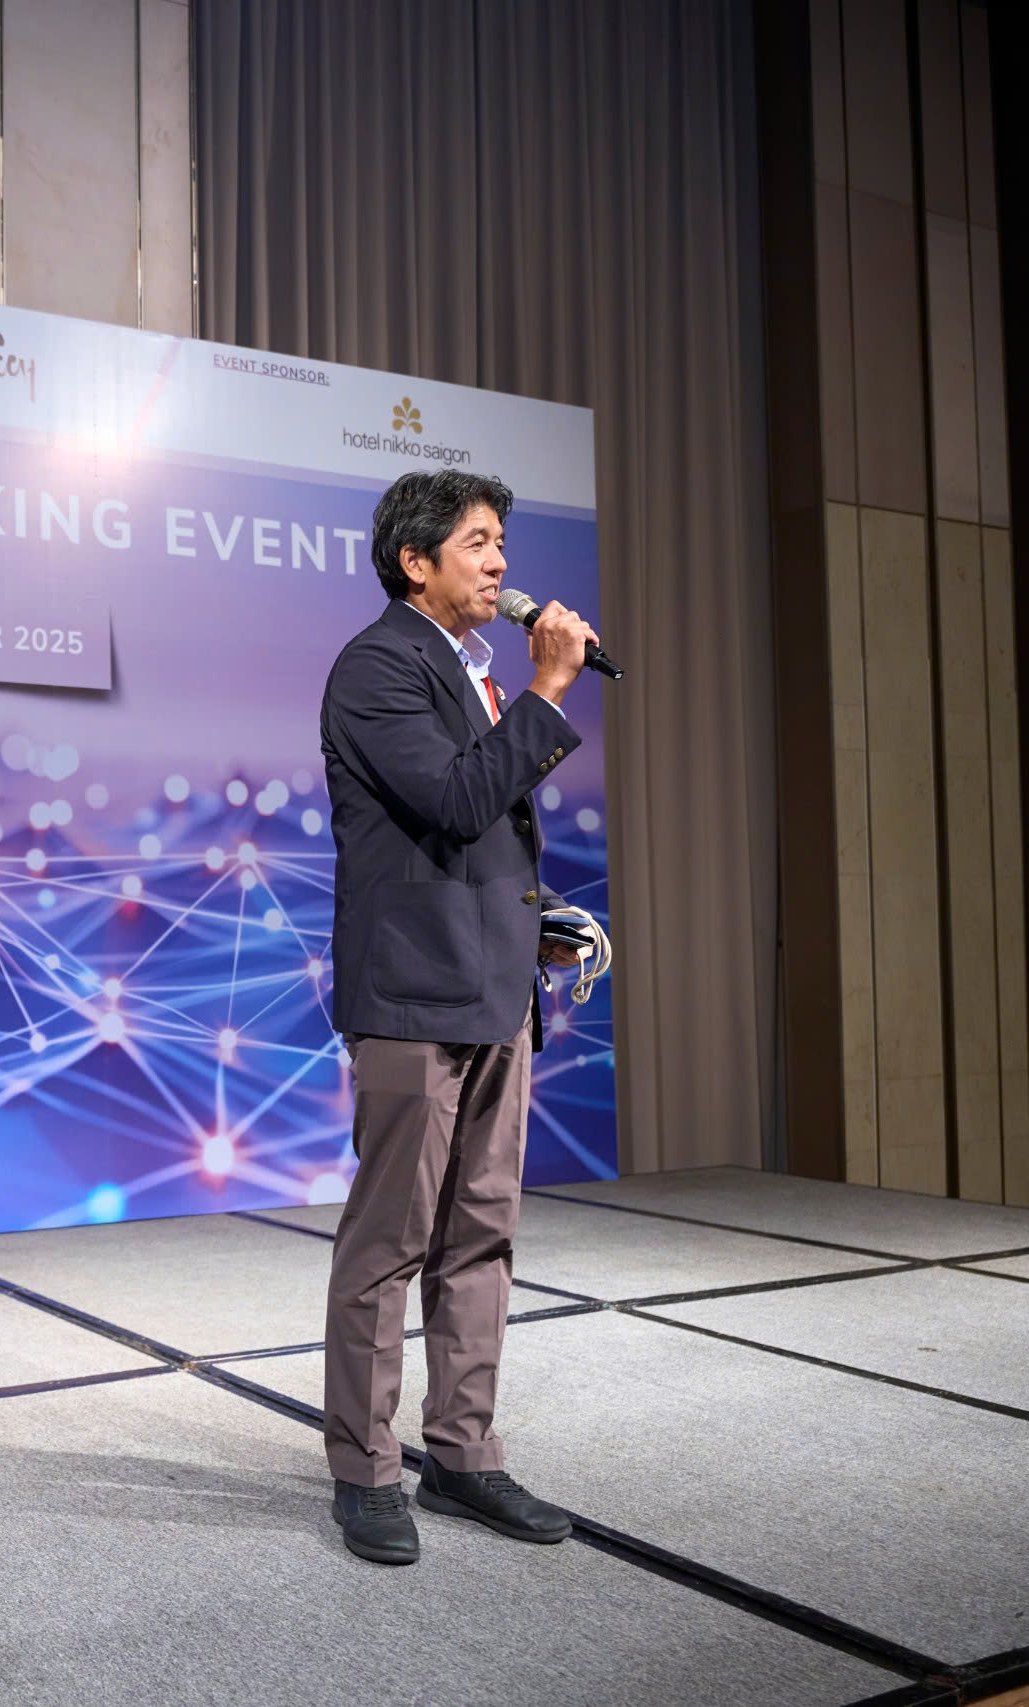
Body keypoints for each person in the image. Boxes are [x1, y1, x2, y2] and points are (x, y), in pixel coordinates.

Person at [316, 468, 597, 1566]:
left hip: (493, 992)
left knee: (481, 1235)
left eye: (501, 542)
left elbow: (474, 845)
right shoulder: (378, 665)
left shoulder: (471, 672)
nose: (501, 563)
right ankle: (363, 1469)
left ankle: (464, 1453)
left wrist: (540, 920)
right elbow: (455, 800)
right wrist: (550, 689)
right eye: (478, 542)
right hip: (410, 998)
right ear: (413, 561)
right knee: (389, 1243)